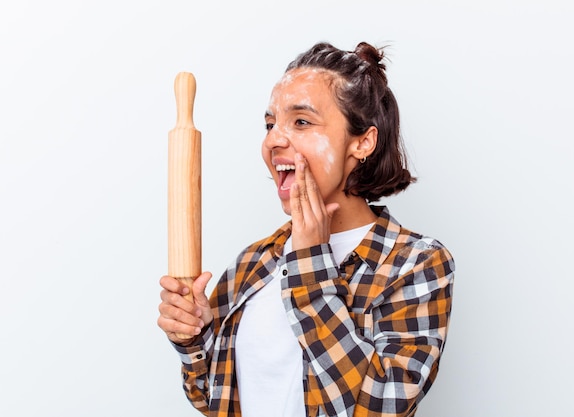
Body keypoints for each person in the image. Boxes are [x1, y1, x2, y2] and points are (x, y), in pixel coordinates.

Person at [157, 41, 455, 417]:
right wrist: (195, 338)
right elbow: (210, 398)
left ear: (363, 141)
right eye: (270, 124)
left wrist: (310, 265)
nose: (272, 140)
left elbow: (381, 409)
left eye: (301, 121)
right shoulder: (254, 262)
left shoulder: (415, 264)